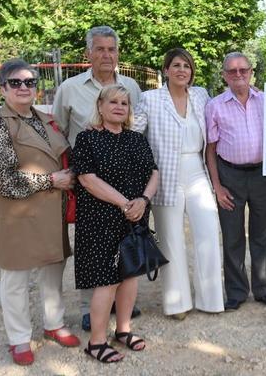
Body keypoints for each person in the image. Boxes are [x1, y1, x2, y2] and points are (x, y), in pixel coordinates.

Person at [0, 59, 79, 366]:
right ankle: (20, 338)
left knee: (52, 272)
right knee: (16, 279)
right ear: (3, 88)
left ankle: (54, 324)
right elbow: (1, 179)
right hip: (17, 213)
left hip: (51, 211)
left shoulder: (45, 118)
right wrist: (50, 180)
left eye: (30, 82)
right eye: (16, 82)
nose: (24, 88)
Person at [52, 25, 143, 331]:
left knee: (129, 238)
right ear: (88, 53)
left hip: (128, 179)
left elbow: (135, 125)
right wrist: (76, 163)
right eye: (100, 49)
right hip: (91, 180)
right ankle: (89, 307)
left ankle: (123, 302)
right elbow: (59, 131)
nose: (107, 55)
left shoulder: (130, 85)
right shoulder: (70, 88)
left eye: (112, 49)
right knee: (93, 246)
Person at [132, 48, 223, 319]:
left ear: (192, 71)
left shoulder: (201, 95)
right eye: (176, 65)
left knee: (207, 232)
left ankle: (211, 299)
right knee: (170, 239)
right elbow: (133, 135)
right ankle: (177, 303)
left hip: (197, 170)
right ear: (166, 70)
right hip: (164, 174)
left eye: (186, 65)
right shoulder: (150, 99)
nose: (182, 70)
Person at [72, 84, 159, 363]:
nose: (119, 106)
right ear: (100, 106)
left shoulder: (136, 139)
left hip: (135, 216)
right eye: (113, 102)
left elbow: (154, 172)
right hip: (101, 219)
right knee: (107, 280)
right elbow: (87, 179)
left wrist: (143, 200)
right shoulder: (87, 139)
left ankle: (123, 330)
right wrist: (124, 203)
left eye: (124, 102)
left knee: (130, 276)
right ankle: (96, 342)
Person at [205, 52, 266, 311]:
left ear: (251, 71)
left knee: (262, 234)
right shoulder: (215, 106)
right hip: (229, 175)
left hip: (263, 175)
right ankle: (236, 292)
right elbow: (210, 150)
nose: (238, 75)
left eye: (243, 70)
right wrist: (217, 187)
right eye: (232, 71)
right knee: (232, 236)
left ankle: (264, 288)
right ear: (224, 76)